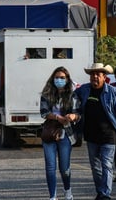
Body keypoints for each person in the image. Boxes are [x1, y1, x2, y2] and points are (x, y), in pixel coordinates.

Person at [75, 63, 116, 200]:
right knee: (95, 167)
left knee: (106, 165)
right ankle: (100, 191)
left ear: (104, 77)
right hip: (90, 135)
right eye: (92, 74)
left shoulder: (112, 92)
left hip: (108, 135)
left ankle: (105, 194)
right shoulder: (84, 90)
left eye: (98, 74)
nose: (94, 77)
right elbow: (71, 96)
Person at [40, 66, 81, 200]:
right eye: (57, 77)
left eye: (62, 78)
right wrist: (57, 117)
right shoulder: (47, 94)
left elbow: (78, 113)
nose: (59, 80)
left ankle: (67, 190)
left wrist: (73, 117)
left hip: (66, 133)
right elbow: (44, 112)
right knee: (50, 167)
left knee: (64, 168)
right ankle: (53, 196)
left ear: (67, 79)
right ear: (53, 79)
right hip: (50, 132)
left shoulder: (73, 95)